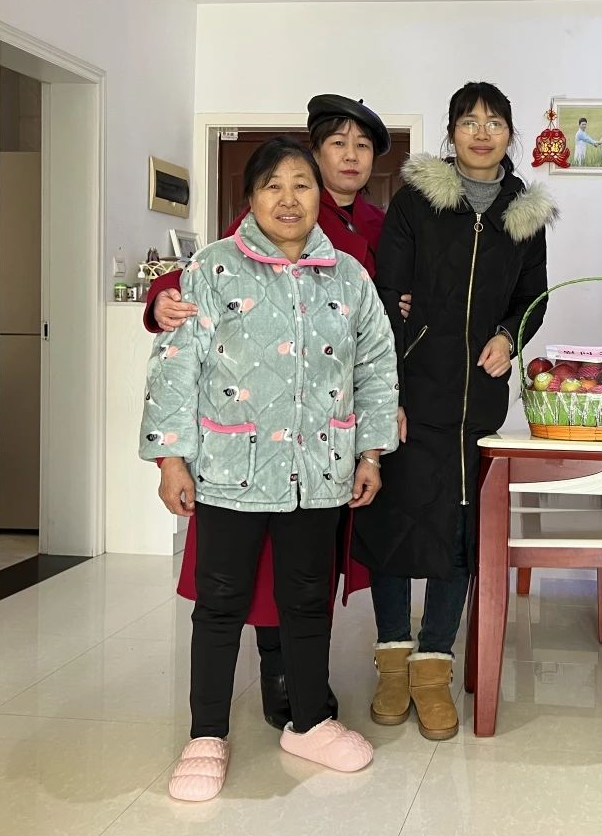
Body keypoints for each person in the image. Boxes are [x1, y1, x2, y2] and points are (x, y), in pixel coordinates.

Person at [141, 137, 399, 800]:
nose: (289, 199)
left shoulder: (348, 276)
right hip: (231, 470)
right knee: (220, 604)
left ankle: (308, 721)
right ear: (250, 199)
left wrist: (370, 452)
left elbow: (376, 367)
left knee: (307, 602)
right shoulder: (211, 269)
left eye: (302, 185)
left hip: (319, 471)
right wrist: (171, 458)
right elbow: (174, 367)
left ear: (320, 197)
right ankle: (205, 734)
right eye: (273, 186)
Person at [354, 81, 556, 741]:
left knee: (460, 534)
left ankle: (433, 665)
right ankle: (392, 659)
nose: (481, 132)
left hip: (477, 404)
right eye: (469, 121)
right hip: (412, 395)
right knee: (393, 526)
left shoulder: (525, 215)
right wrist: (387, 394)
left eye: (494, 122)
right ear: (451, 132)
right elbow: (387, 294)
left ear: (510, 134)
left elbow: (532, 298)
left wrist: (508, 336)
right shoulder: (416, 201)